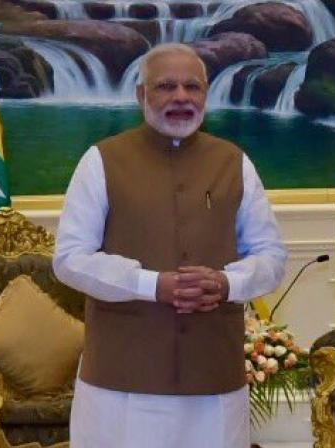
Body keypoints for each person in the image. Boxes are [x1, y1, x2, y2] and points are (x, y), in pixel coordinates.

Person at [53, 43, 287, 448]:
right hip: (121, 380)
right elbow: (70, 258)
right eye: (166, 86)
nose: (181, 97)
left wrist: (227, 283)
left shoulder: (234, 162)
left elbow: (271, 256)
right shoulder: (102, 160)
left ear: (206, 95)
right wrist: (150, 284)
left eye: (192, 87)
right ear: (142, 95)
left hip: (212, 377)